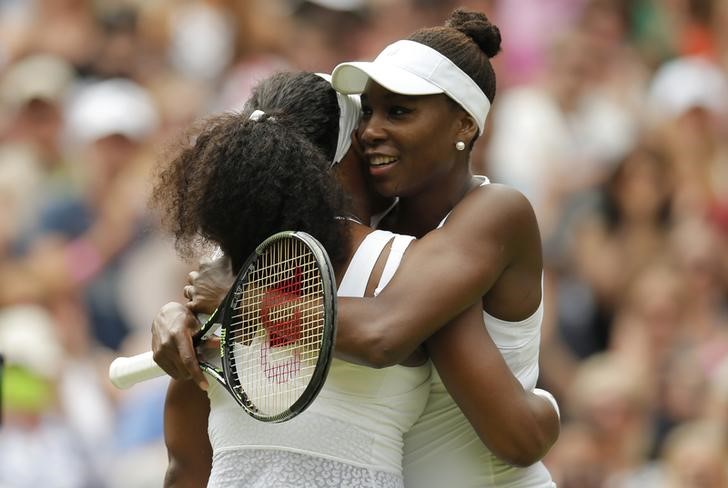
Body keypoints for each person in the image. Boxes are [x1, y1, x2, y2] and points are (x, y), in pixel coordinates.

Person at [154, 10, 560, 482]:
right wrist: (180, 313)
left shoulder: (495, 211)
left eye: (400, 111)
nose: (371, 131)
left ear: (465, 125)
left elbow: (385, 333)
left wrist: (236, 302)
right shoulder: (387, 243)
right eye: (366, 111)